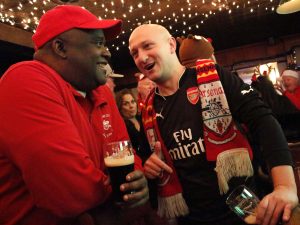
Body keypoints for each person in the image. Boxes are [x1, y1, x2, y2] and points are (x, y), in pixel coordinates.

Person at [128, 24, 299, 225]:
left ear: (171, 45)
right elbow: (146, 158)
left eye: (147, 46)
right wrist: (149, 167)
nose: (141, 57)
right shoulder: (147, 108)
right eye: (134, 53)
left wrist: (285, 186)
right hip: (191, 218)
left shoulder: (215, 77)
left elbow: (264, 121)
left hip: (245, 213)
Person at [0, 5, 149, 225]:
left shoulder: (100, 93)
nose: (107, 51)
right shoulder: (25, 79)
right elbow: (70, 193)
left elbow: (125, 154)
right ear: (60, 47)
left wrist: (135, 182)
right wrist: (119, 196)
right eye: (98, 43)